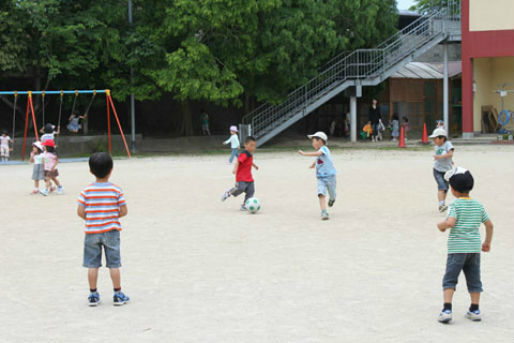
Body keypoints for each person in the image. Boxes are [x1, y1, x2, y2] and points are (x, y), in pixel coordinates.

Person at [436, 167, 494, 324]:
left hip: (457, 249)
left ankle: (447, 309)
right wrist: (487, 242)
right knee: (474, 279)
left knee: (450, 279)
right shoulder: (478, 205)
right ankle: (475, 309)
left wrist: (441, 225)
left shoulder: (455, 205)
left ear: (453, 190)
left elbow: (450, 222)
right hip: (474, 249)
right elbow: (489, 225)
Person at [77, 152, 130, 306]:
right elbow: (124, 210)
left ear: (91, 171)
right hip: (111, 231)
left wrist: (92, 219)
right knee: (114, 264)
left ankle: (93, 294)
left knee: (92, 264)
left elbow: (80, 212)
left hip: (92, 231)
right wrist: (112, 217)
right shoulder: (115, 190)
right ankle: (117, 293)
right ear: (111, 169)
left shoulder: (86, 191)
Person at [298, 131, 337, 220]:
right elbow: (318, 159)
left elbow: (318, 154)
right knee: (321, 193)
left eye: (313, 141)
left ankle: (332, 199)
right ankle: (324, 212)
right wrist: (313, 164)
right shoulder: (319, 151)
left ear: (320, 141)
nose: (312, 143)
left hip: (330, 177)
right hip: (321, 178)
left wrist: (305, 154)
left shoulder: (324, 149)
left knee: (332, 193)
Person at [221, 136, 259, 210]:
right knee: (240, 188)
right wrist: (235, 169)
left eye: (254, 146)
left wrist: (255, 166)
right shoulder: (244, 154)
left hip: (249, 177)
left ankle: (245, 205)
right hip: (241, 177)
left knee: (251, 190)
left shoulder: (250, 154)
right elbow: (238, 160)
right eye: (251, 145)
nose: (253, 148)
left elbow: (249, 161)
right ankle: (229, 192)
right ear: (245, 145)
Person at [430, 127, 454, 212]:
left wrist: (441, 157)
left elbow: (450, 154)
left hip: (447, 171)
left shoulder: (448, 144)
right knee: (442, 187)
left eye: (435, 138)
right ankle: (441, 205)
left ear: (442, 138)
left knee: (446, 188)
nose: (434, 141)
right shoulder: (436, 147)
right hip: (437, 170)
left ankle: (442, 203)